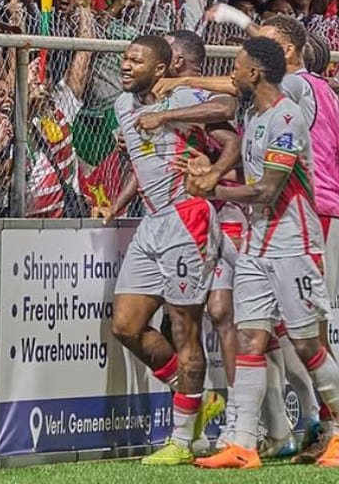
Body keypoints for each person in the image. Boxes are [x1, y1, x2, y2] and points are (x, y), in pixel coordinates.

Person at [186, 37, 339, 469]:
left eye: (236, 68)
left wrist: (215, 188)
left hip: (292, 245)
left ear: (255, 74)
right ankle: (243, 441)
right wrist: (209, 171)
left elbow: (267, 188)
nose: (232, 75)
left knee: (305, 344)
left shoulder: (287, 118)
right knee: (251, 340)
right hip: (256, 244)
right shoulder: (253, 114)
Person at [106, 35, 232, 465]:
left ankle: (181, 439)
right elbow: (142, 161)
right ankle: (196, 398)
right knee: (125, 325)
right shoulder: (122, 105)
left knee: (184, 328)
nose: (125, 66)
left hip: (187, 216)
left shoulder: (176, 94)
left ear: (159, 69)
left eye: (135, 61)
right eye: (124, 58)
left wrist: (209, 168)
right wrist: (117, 204)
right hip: (152, 221)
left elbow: (227, 114)